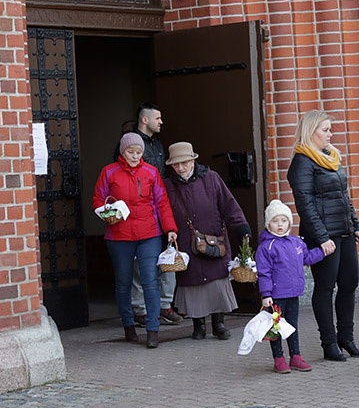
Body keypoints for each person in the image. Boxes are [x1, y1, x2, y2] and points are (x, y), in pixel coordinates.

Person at [287, 109, 359, 362]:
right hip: (323, 236)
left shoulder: (331, 157)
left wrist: (355, 224)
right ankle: (329, 343)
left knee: (350, 283)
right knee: (325, 287)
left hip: (343, 232)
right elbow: (305, 205)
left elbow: (343, 195)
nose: (330, 134)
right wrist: (322, 238)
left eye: (330, 129)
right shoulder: (302, 162)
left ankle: (347, 338)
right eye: (325, 129)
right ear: (311, 132)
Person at [93, 132, 178, 349]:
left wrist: (170, 228)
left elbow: (162, 202)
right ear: (123, 151)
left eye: (138, 152)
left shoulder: (150, 172)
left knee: (150, 280)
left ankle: (152, 330)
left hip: (149, 233)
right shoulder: (109, 172)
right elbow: (98, 199)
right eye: (130, 151)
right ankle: (128, 325)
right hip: (119, 235)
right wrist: (106, 213)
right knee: (123, 281)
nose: (134, 155)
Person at [163, 142, 252, 341]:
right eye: (176, 165)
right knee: (193, 284)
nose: (181, 168)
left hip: (214, 241)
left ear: (193, 160)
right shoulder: (168, 185)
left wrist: (241, 229)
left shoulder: (211, 178)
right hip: (187, 243)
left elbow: (230, 206)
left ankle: (219, 324)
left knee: (216, 283)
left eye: (184, 162)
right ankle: (198, 325)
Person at [114, 103, 183, 327]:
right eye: (158, 118)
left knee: (167, 257)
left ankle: (164, 305)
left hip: (158, 210)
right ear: (145, 120)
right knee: (138, 266)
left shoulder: (158, 145)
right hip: (135, 217)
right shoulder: (128, 144)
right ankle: (139, 309)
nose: (161, 122)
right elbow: (117, 181)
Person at [256, 199, 328, 373]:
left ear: (289, 222)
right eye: (275, 221)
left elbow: (307, 257)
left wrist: (323, 250)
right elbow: (263, 272)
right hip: (276, 296)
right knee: (276, 328)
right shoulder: (266, 247)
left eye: (283, 220)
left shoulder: (296, 243)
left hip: (293, 293)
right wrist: (266, 294)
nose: (280, 225)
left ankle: (295, 356)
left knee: (292, 326)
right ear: (268, 224)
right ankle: (278, 358)